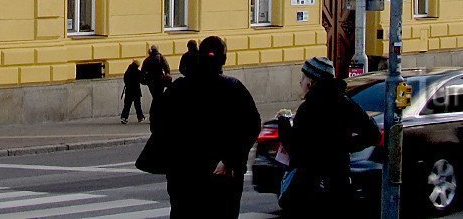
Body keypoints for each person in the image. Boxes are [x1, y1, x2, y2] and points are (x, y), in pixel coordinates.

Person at [151, 35, 261, 219]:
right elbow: (251, 126)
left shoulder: (178, 88)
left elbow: (157, 123)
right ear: (223, 60)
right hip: (221, 174)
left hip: (184, 175)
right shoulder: (233, 88)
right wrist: (230, 159)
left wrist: (174, 157)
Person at [276, 56, 379, 212]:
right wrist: (345, 146)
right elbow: (373, 134)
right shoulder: (347, 104)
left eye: (303, 77)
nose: (300, 82)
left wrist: (283, 124)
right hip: (340, 181)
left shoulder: (308, 108)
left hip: (310, 184)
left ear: (311, 82)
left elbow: (297, 149)